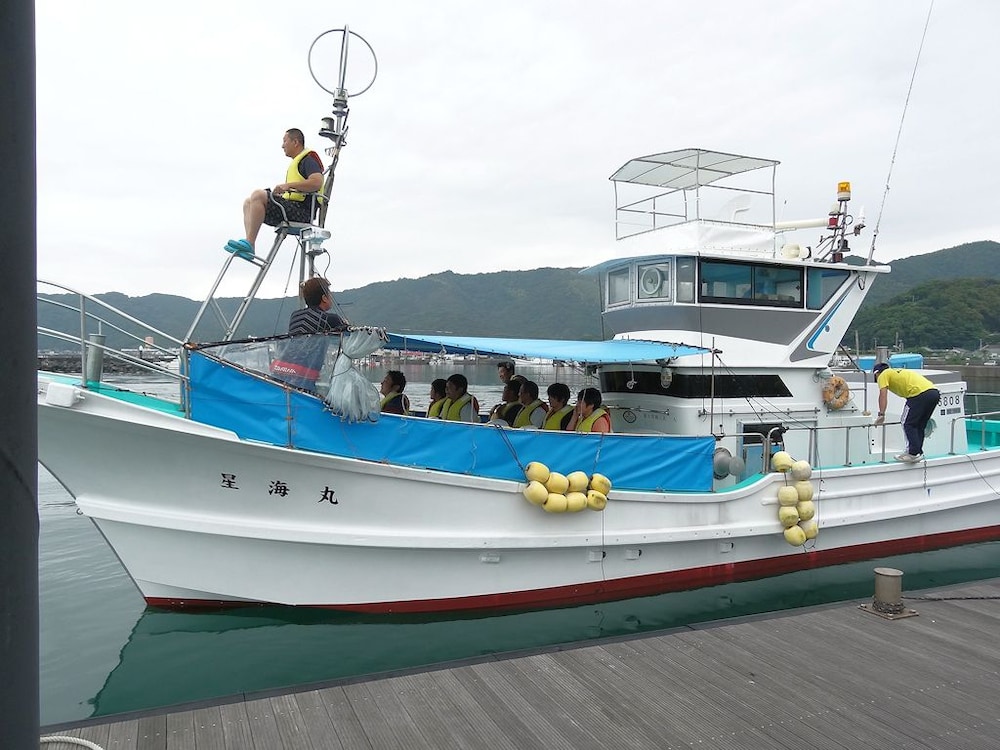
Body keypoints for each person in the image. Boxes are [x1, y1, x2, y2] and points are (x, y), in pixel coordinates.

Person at [225, 128, 324, 259]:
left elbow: (316, 182)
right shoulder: (298, 162)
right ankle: (250, 245)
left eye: (285, 141)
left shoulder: (308, 160)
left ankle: (249, 242)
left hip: (302, 212)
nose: (282, 145)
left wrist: (288, 185)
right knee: (248, 203)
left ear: (295, 142)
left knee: (258, 194)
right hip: (292, 207)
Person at [270, 277, 346, 392]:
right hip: (303, 375)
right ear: (324, 298)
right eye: (329, 294)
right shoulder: (329, 319)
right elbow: (350, 335)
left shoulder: (295, 315)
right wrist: (345, 324)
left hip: (279, 369)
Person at [872, 363, 940, 462]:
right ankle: (918, 452)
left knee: (907, 423)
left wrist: (881, 414)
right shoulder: (896, 372)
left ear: (877, 373)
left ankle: (912, 453)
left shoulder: (883, 375)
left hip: (918, 394)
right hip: (933, 393)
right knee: (919, 424)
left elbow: (883, 394)